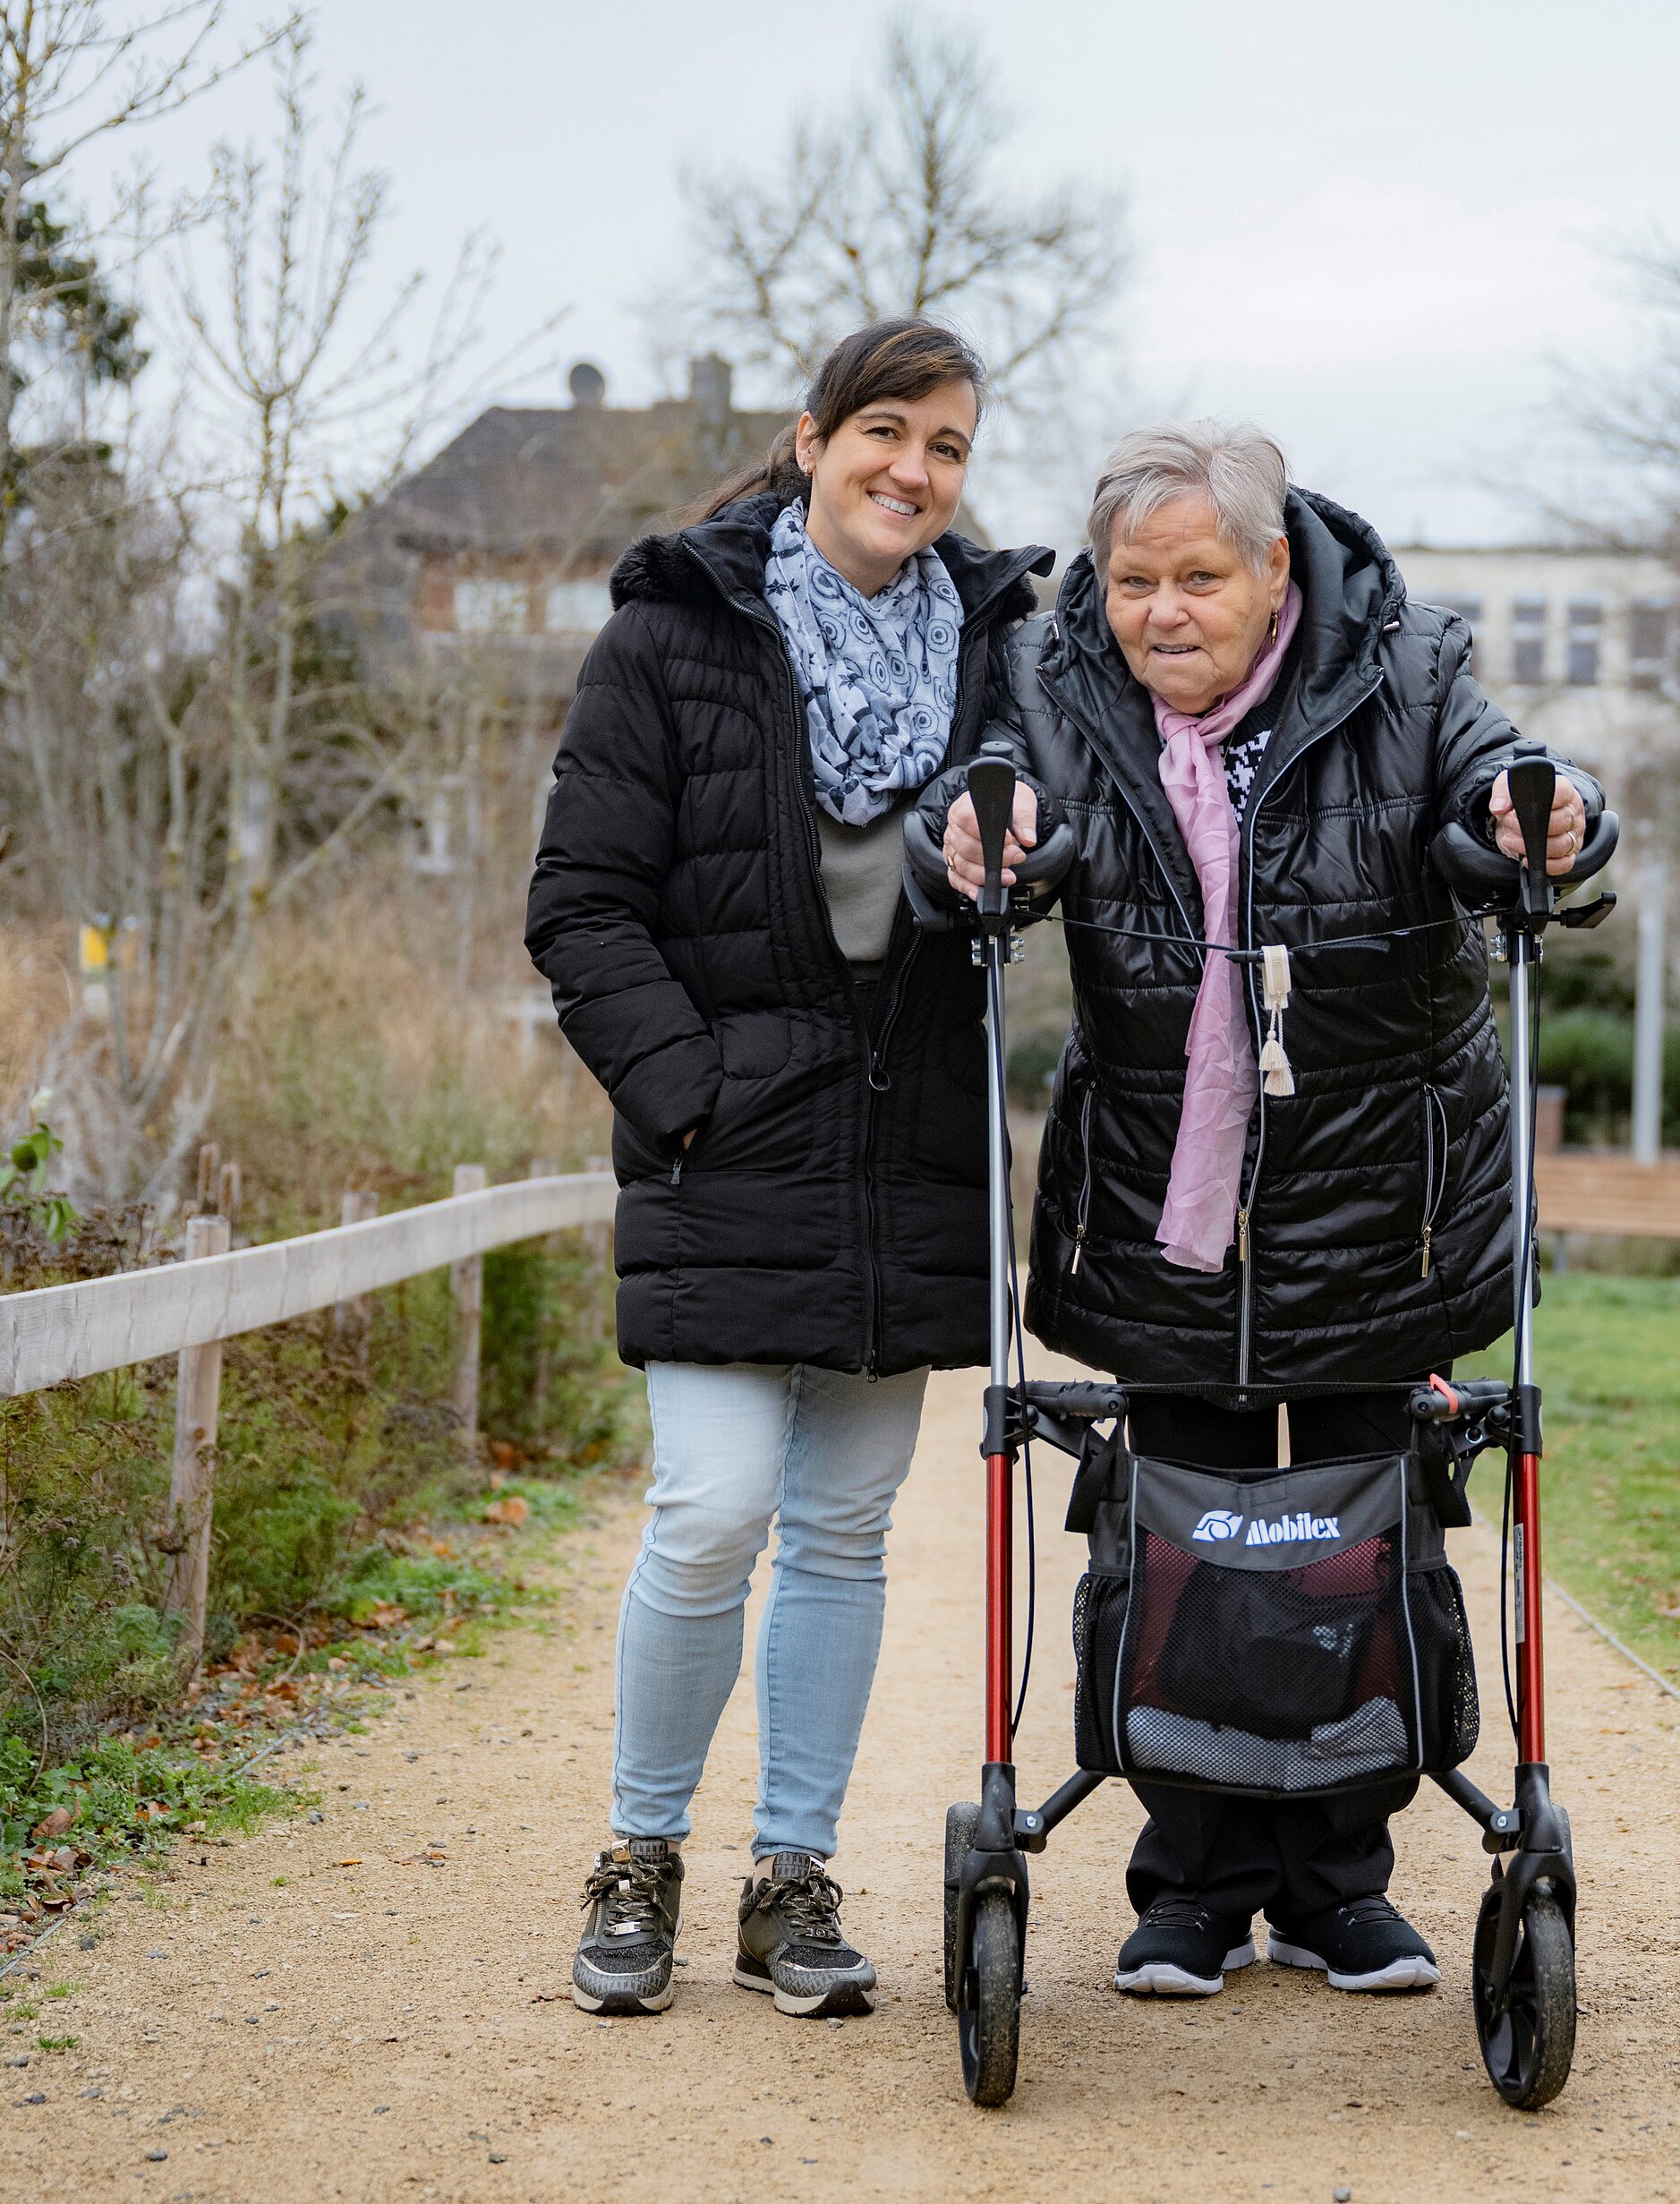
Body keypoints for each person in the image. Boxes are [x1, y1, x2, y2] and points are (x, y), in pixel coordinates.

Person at [934, 421, 1600, 2000]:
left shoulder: (1410, 664)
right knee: (1174, 1538)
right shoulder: (1057, 674)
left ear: (1276, 565)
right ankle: (1188, 1883)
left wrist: (1549, 818)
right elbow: (991, 810)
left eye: (1198, 577)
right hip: (1164, 1204)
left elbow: (1522, 797)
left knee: (1358, 1542)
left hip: (1385, 1199)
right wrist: (971, 841)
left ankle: (1336, 1886)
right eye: (1134, 579)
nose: (1162, 610)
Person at [526, 319, 1051, 2020]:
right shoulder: (671, 635)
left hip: (903, 1156)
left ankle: (789, 1880)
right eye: (887, 432)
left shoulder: (1001, 646)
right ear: (811, 438)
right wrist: (690, 1100)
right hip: (727, 1149)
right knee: (712, 1510)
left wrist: (1018, 879)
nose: (917, 470)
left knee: (840, 1529)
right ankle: (639, 1857)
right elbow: (581, 909)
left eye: (951, 446)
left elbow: (1048, 860)